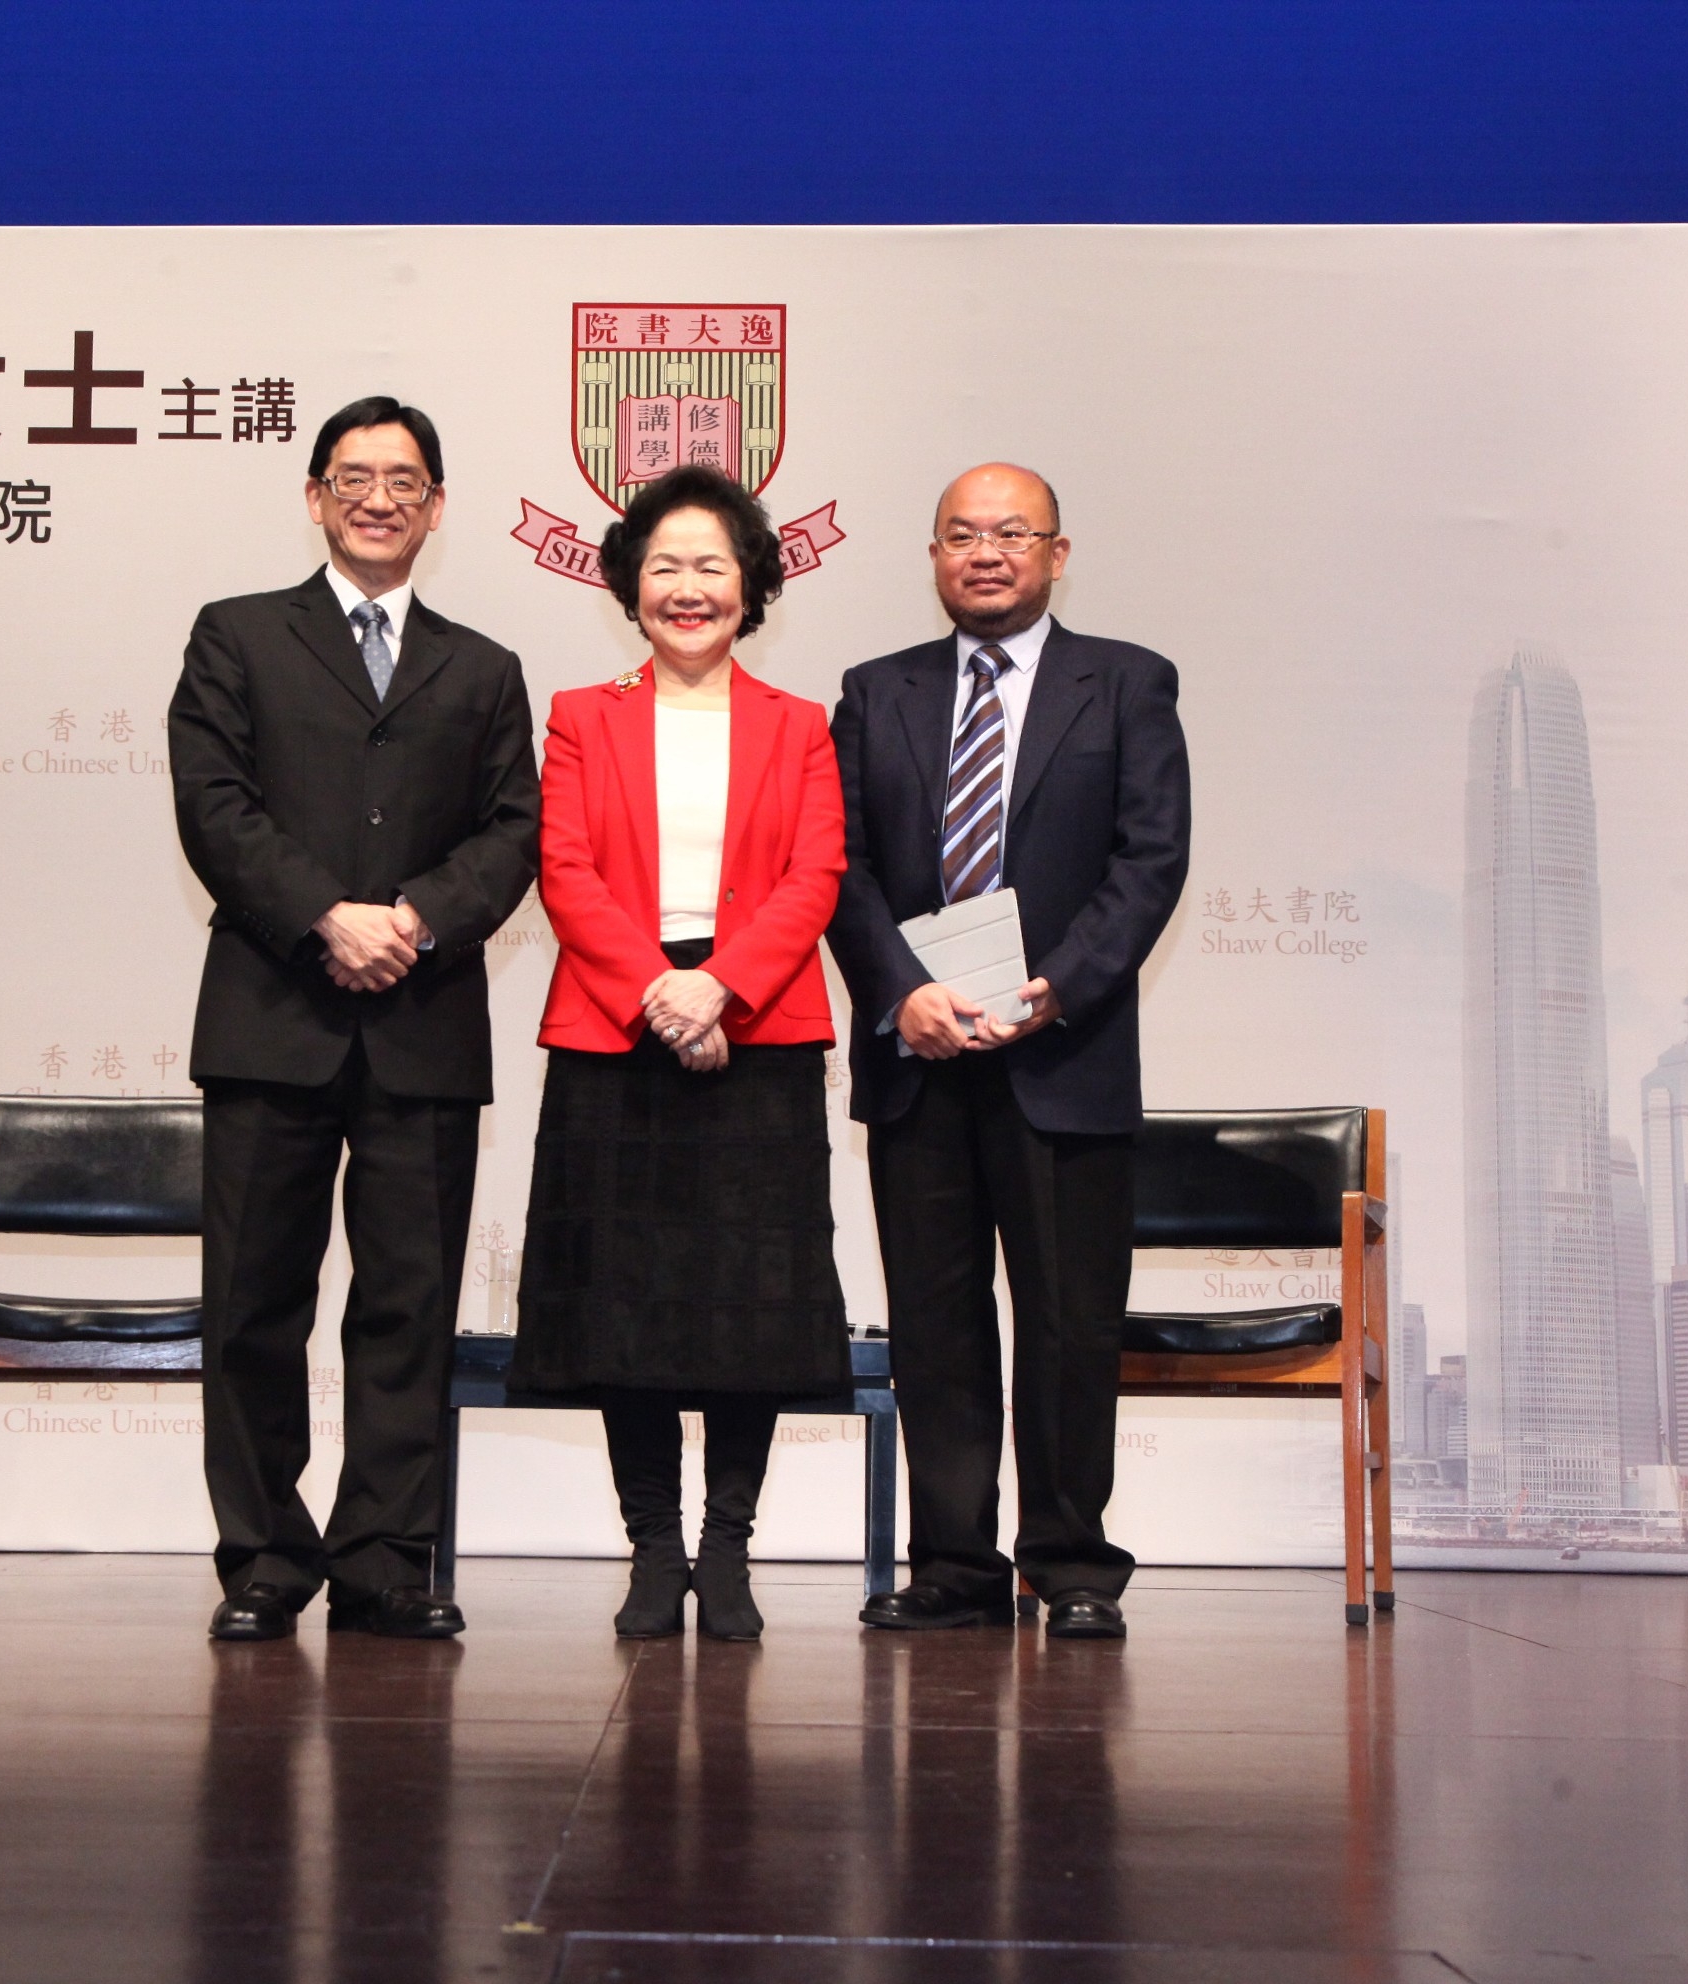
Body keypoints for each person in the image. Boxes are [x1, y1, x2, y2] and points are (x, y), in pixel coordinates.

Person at [166, 396, 541, 1643]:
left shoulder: (482, 667)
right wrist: (327, 913)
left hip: (423, 1026)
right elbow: (215, 807)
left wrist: (416, 919)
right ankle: (266, 1554)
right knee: (256, 1302)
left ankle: (384, 1557)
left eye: (405, 479)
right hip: (273, 1015)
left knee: (406, 1305)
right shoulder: (237, 636)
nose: (380, 497)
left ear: (437, 506)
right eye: (354, 476)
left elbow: (512, 834)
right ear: (315, 494)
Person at [826, 464, 1190, 1640]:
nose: (987, 553)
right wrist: (901, 992)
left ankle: (1073, 1563)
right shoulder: (873, 694)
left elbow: (1150, 861)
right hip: (920, 1056)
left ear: (1058, 551)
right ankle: (955, 1567)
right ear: (933, 557)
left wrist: (1060, 988)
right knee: (935, 1324)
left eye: (1012, 533)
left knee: (1070, 1321)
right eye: (961, 535)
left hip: (1062, 1057)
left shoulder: (1127, 683)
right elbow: (843, 869)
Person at [508, 463, 849, 1642]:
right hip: (617, 1024)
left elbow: (816, 876)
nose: (688, 587)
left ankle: (729, 1544)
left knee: (749, 1302)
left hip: (757, 1026)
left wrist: (722, 989)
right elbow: (566, 871)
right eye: (666, 566)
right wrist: (661, 991)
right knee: (627, 1301)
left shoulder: (802, 725)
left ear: (751, 584)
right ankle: (654, 1543)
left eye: (712, 565)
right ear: (630, 585)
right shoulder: (579, 715)